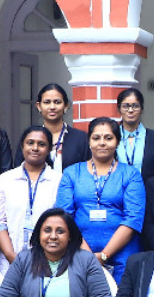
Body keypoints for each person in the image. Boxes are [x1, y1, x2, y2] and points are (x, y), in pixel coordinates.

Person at [56, 118, 146, 281]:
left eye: (108, 138)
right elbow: (64, 217)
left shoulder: (131, 174)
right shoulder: (72, 173)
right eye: (96, 138)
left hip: (123, 255)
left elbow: (133, 218)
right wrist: (88, 257)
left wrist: (104, 255)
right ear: (89, 141)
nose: (102, 143)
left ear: (117, 141)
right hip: (78, 254)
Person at [0, 126, 62, 270]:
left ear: (49, 148)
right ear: (22, 146)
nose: (35, 148)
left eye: (41, 144)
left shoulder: (59, 181)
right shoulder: (5, 180)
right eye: (30, 143)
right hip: (9, 264)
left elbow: (61, 223)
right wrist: (11, 256)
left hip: (48, 263)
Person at [114, 88, 154, 179]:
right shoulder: (111, 136)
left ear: (141, 109)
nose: (130, 110)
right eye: (125, 106)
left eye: (135, 106)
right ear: (118, 109)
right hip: (117, 191)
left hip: (147, 191)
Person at [36, 83, 91, 169]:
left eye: (57, 102)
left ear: (66, 105)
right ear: (39, 106)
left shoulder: (81, 138)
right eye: (47, 102)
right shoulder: (31, 138)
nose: (52, 107)